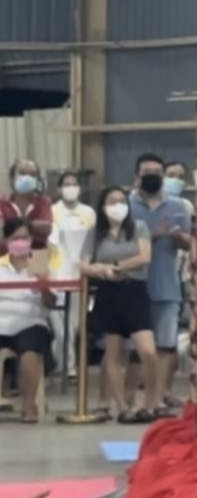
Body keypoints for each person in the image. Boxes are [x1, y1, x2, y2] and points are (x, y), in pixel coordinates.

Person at [86, 185, 160, 422]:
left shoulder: (138, 228)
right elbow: (84, 263)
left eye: (121, 201)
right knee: (113, 353)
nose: (117, 205)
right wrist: (100, 269)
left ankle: (149, 403)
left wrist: (117, 265)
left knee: (147, 350)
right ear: (103, 206)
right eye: (112, 201)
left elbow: (144, 257)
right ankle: (121, 406)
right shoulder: (95, 233)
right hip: (108, 293)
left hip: (134, 292)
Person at [130, 151, 191, 409]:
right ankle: (131, 399)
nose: (153, 177)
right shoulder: (127, 206)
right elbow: (119, 245)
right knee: (135, 349)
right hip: (134, 286)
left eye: (158, 173)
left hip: (167, 286)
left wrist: (178, 237)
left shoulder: (178, 207)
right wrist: (151, 237)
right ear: (137, 177)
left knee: (166, 346)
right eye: (148, 173)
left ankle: (158, 397)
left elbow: (191, 243)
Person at [0, 217, 56, 422]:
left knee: (29, 351)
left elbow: (51, 303)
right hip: (2, 322)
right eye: (15, 238)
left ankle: (28, 404)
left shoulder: (40, 265)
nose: (20, 242)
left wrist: (44, 285)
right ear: (6, 241)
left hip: (30, 322)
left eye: (25, 237)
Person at [50, 170, 94, 376]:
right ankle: (67, 366)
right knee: (59, 326)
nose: (71, 188)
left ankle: (66, 362)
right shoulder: (52, 211)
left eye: (74, 184)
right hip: (56, 273)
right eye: (66, 184)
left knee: (75, 324)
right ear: (59, 189)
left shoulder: (88, 213)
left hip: (80, 274)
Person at [0, 160, 52, 245]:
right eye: (23, 173)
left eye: (32, 175)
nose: (27, 178)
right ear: (12, 178)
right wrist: (32, 225)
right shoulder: (2, 203)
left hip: (37, 253)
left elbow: (46, 228)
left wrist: (12, 225)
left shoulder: (43, 202)